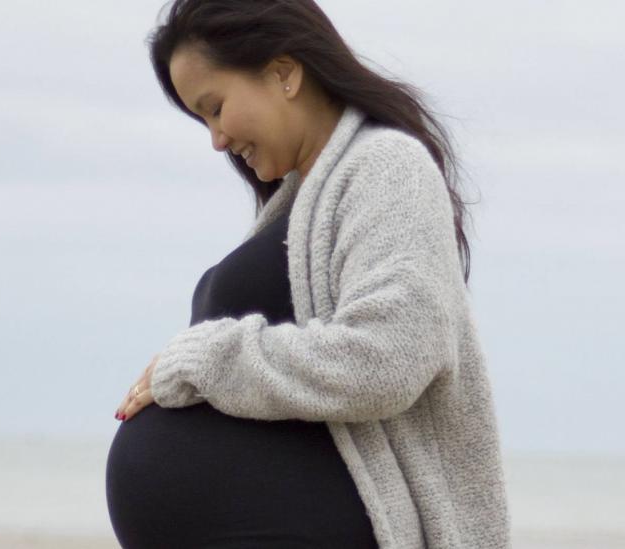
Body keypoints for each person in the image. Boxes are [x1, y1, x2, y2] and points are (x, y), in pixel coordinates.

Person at [106, 1, 512, 548]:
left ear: (283, 72)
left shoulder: (387, 165)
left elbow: (390, 357)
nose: (216, 140)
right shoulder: (299, 202)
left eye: (216, 106)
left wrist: (202, 359)